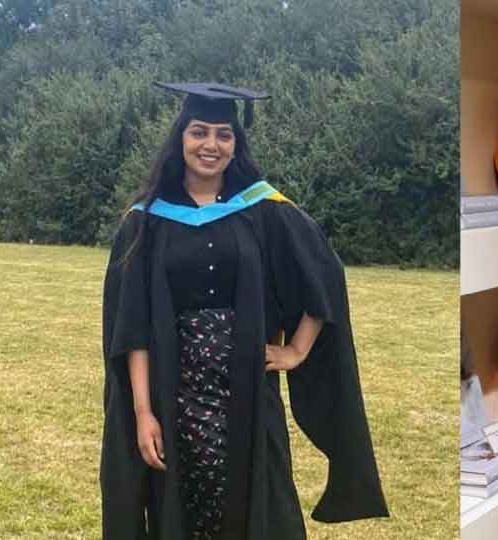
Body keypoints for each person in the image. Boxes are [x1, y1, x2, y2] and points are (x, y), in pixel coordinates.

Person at [100, 82, 387, 540]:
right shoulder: (146, 219)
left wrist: (296, 350)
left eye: (223, 134)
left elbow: (322, 274)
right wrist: (142, 412)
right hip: (174, 391)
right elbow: (130, 325)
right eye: (198, 132)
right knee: (182, 503)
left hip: (248, 389)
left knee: (258, 501)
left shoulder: (264, 209)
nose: (210, 145)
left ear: (236, 143)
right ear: (180, 139)